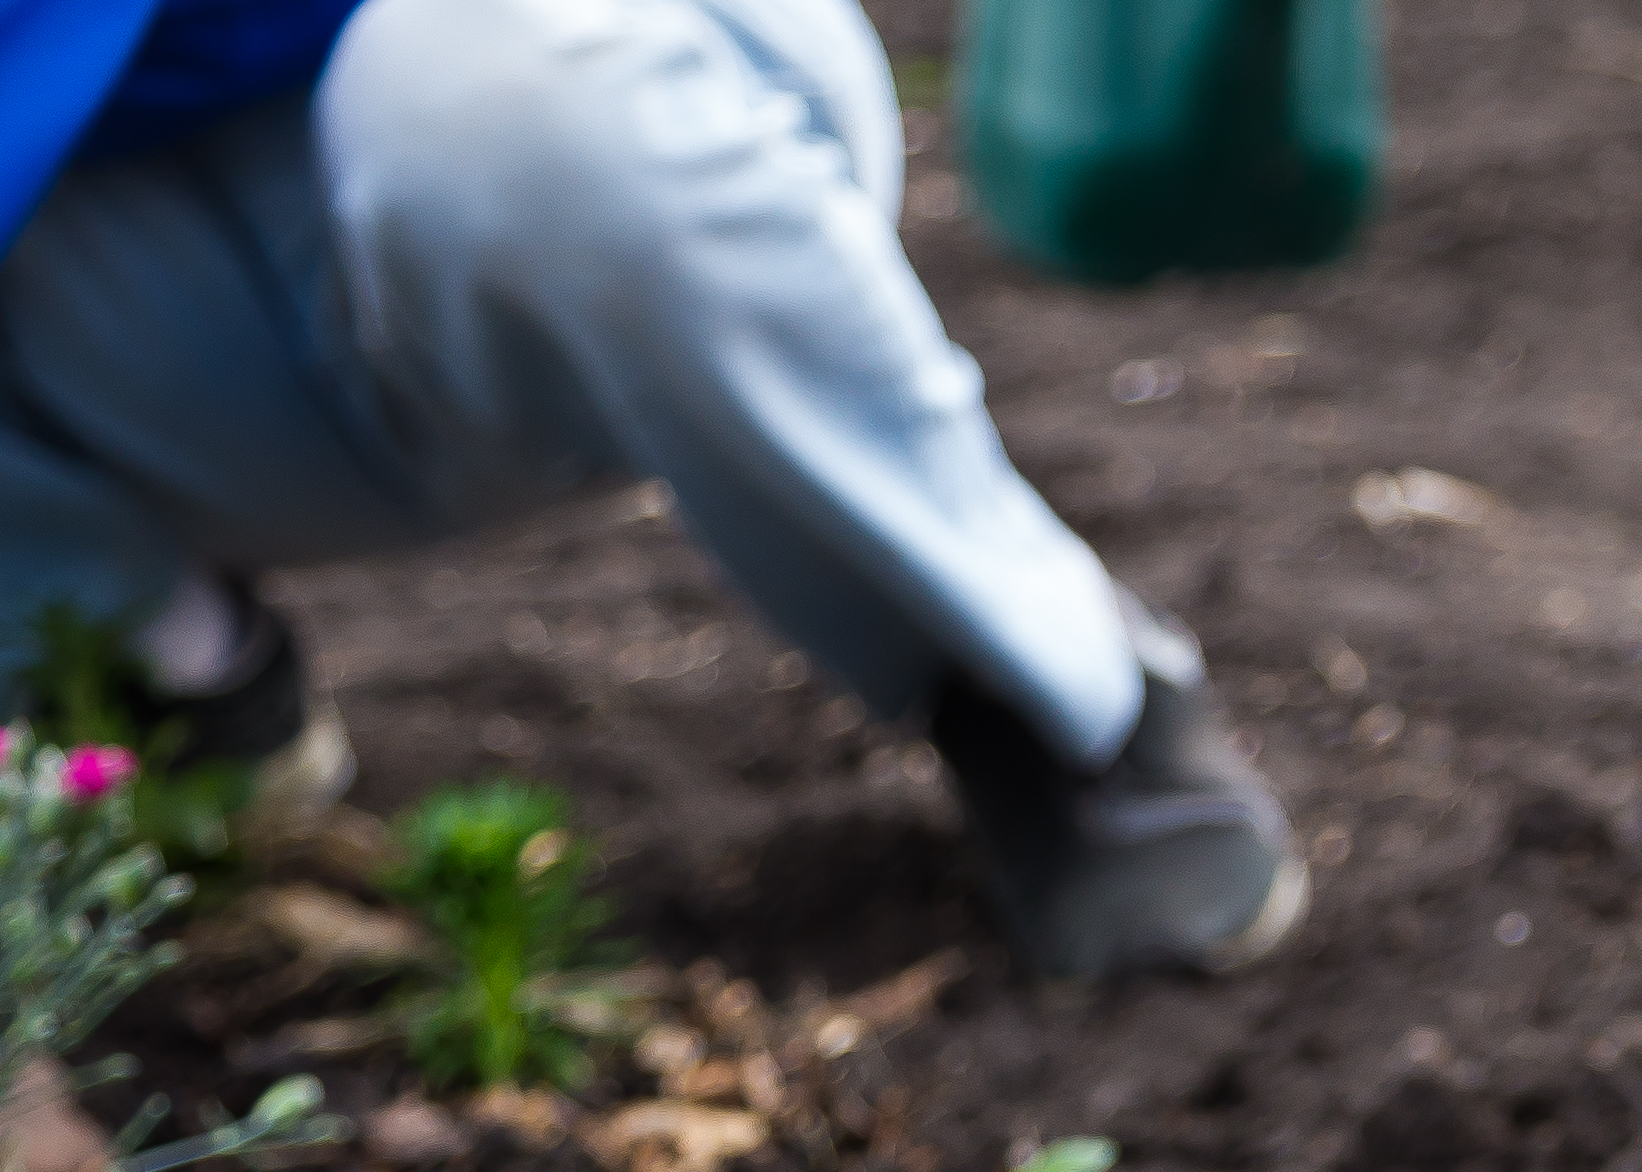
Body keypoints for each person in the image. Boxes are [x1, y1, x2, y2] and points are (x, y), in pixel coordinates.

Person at [0, 0, 1301, 979]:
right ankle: (153, 685)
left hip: (584, 96)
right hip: (109, 251)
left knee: (518, 96)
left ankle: (1051, 694)